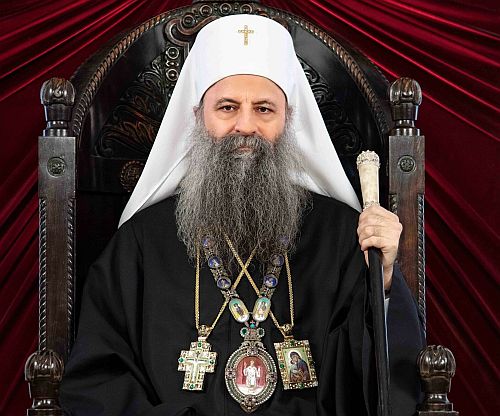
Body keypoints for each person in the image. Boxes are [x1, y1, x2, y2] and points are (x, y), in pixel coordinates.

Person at [60, 14, 424, 416]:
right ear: (199, 117)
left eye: (264, 109)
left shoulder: (340, 235)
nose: (245, 126)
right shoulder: (142, 243)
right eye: (227, 107)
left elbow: (378, 384)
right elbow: (98, 378)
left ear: (287, 120)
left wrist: (382, 283)